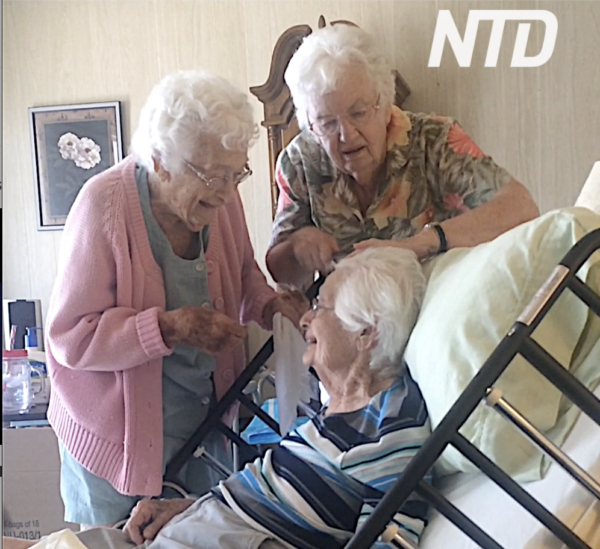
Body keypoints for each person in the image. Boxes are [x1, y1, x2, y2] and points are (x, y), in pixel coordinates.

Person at [4, 247, 432, 549]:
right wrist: (190, 507)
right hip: (202, 525)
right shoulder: (333, 410)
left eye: (323, 306)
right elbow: (268, 496)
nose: (306, 316)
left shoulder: (390, 430)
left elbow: (391, 538)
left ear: (367, 333)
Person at [42, 70, 308, 528]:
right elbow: (71, 336)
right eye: (213, 176)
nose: (227, 193)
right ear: (161, 161)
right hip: (115, 446)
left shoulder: (220, 201)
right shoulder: (101, 205)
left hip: (202, 431)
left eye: (236, 174)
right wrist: (168, 327)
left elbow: (244, 275)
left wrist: (270, 305)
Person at [266, 24, 540, 289]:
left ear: (386, 104)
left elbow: (521, 208)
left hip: (435, 303)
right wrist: (295, 248)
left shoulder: (435, 139)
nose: (346, 134)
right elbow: (281, 273)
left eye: (359, 112)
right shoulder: (299, 162)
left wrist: (419, 244)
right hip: (351, 321)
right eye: (327, 122)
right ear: (310, 126)